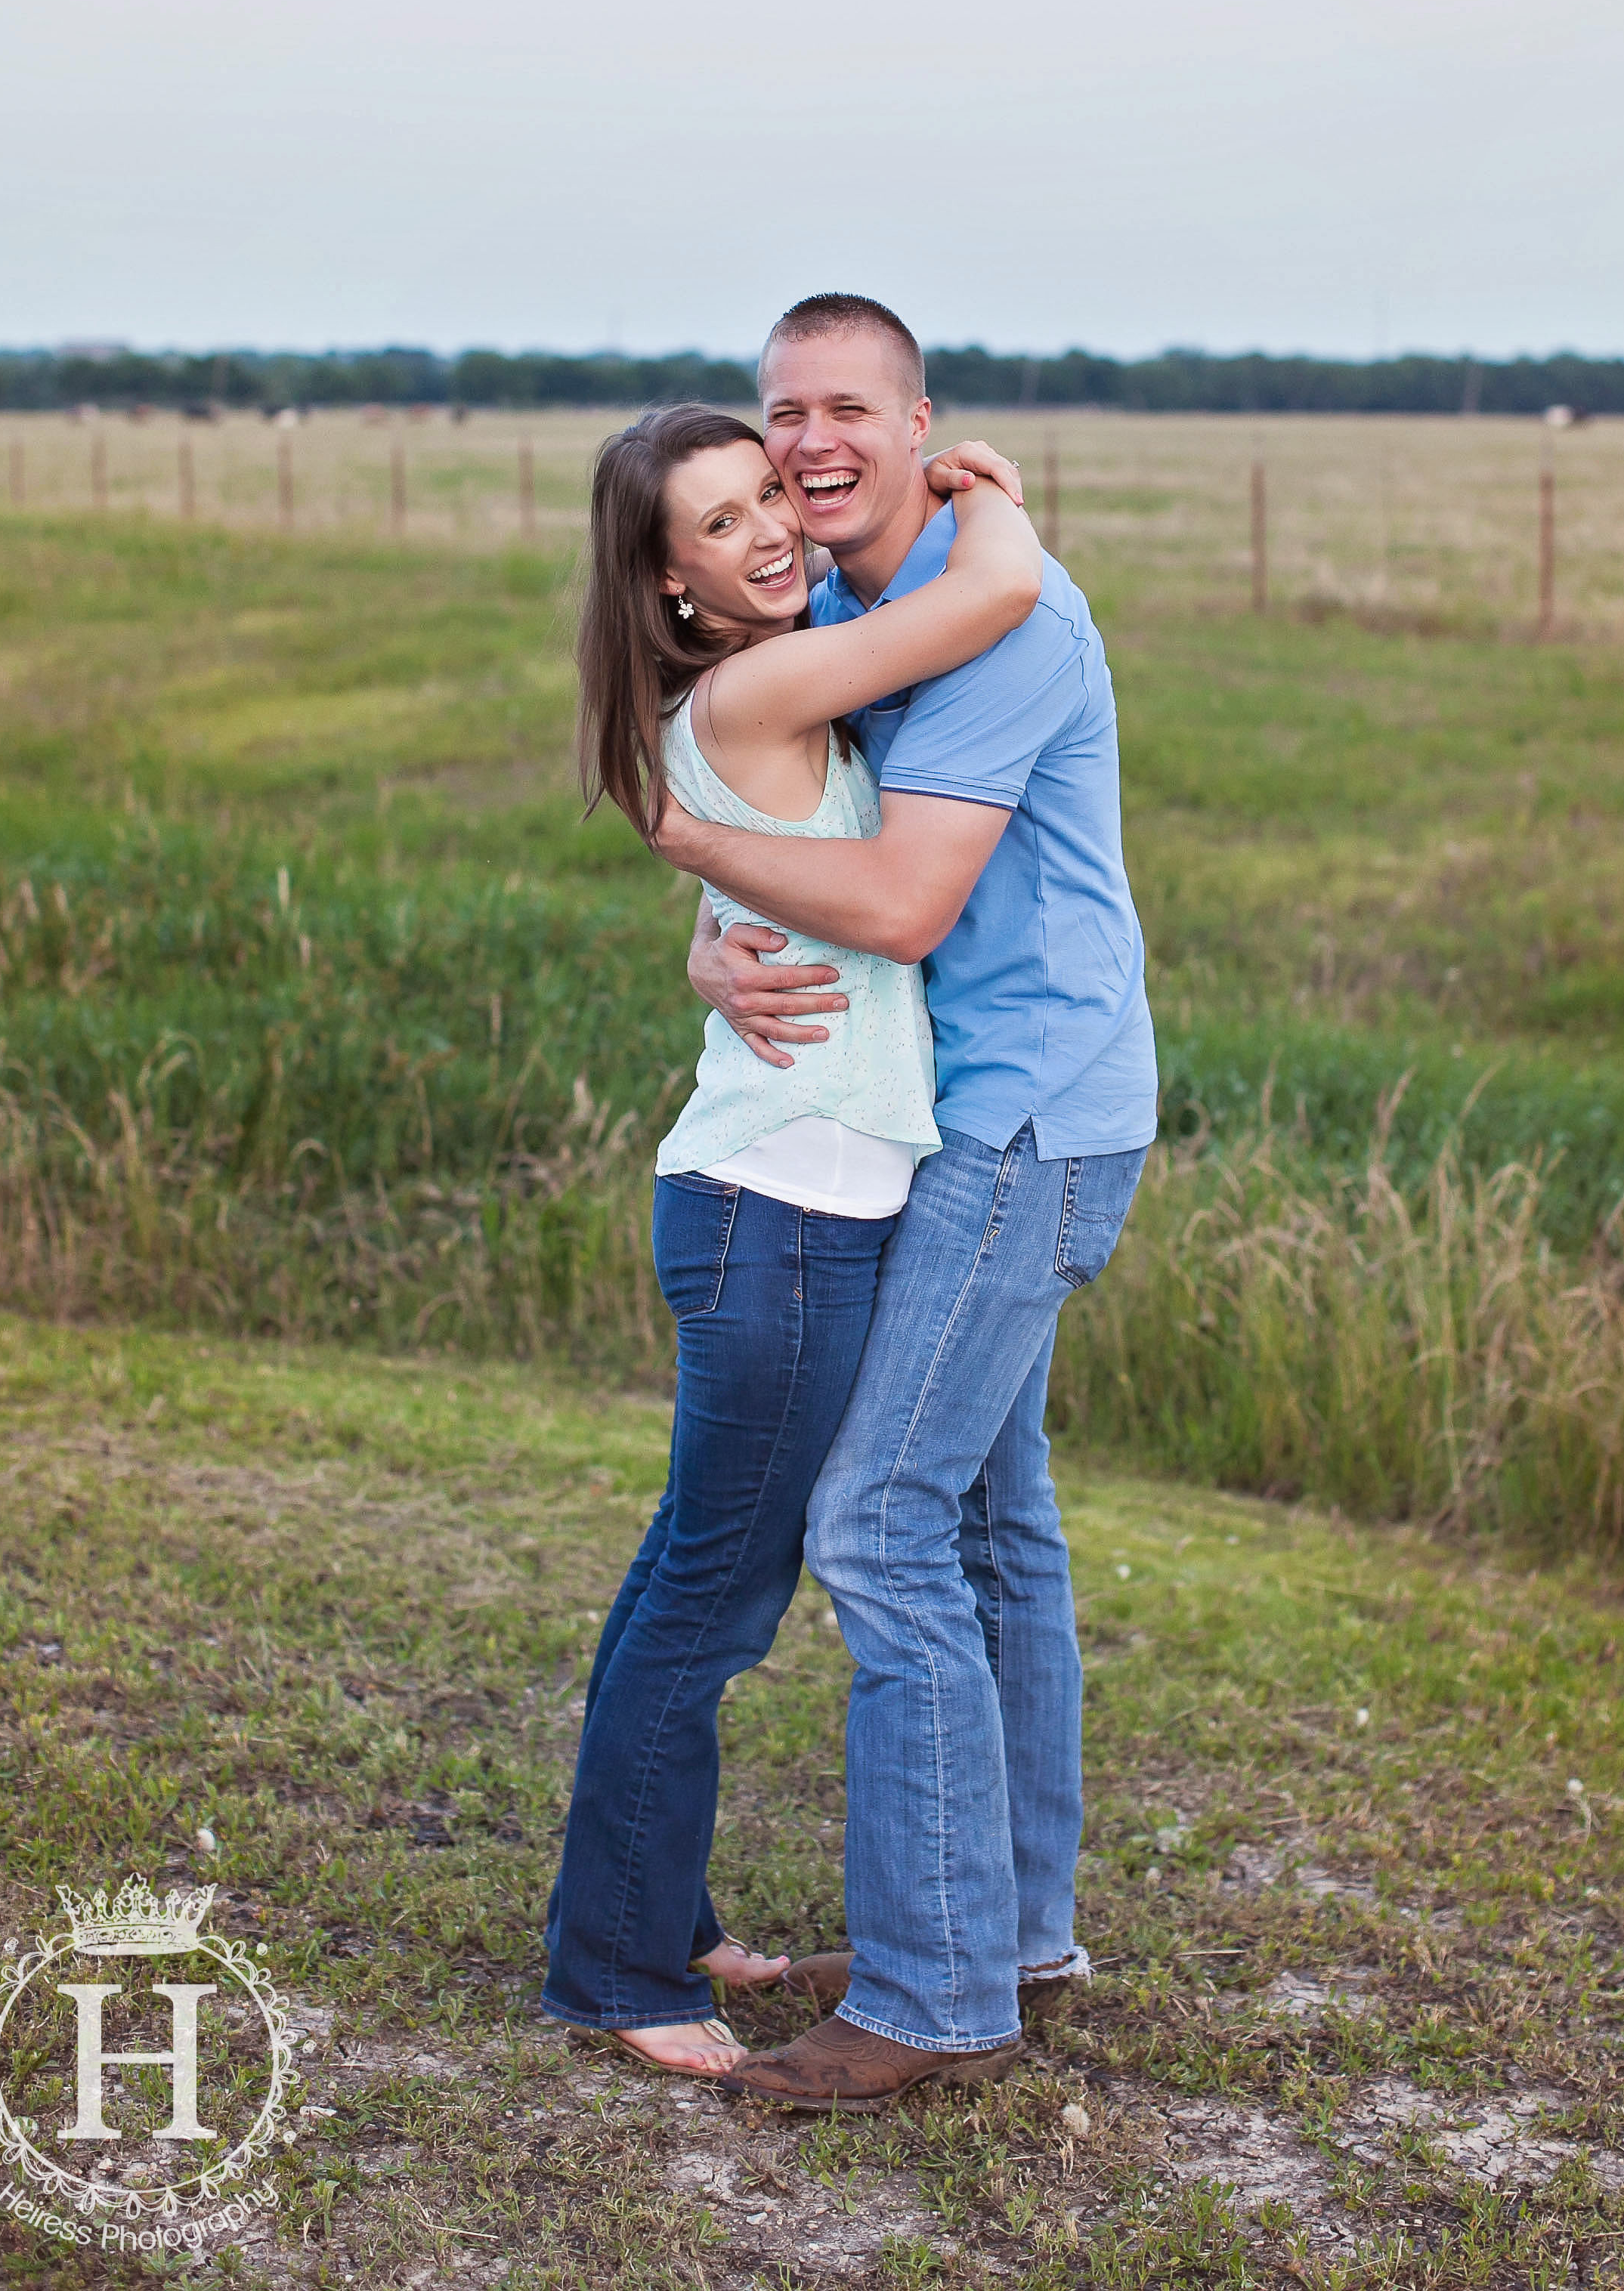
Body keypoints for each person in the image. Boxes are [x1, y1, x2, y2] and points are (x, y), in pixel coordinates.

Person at [652, 295, 1158, 2110]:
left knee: (878, 1520)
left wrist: (697, 845)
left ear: (918, 417)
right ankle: (1008, 1926)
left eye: (847, 404)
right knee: (993, 1523)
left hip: (1025, 1115)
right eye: (783, 409)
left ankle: (933, 1995)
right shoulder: (865, 607)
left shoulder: (1006, 608)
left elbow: (903, 904)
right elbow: (802, 835)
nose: (808, 438)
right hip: (972, 1109)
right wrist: (716, 947)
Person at [540, 399, 1041, 2077]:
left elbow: (757, 866)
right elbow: (979, 606)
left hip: (781, 1201)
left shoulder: (756, 685)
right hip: (785, 1217)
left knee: (696, 1570)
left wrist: (706, 930)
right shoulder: (753, 683)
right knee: (710, 1595)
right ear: (670, 588)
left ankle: (659, 1914)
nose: (768, 527)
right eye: (720, 521)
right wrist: (998, 504)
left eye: (768, 493)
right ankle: (615, 1963)